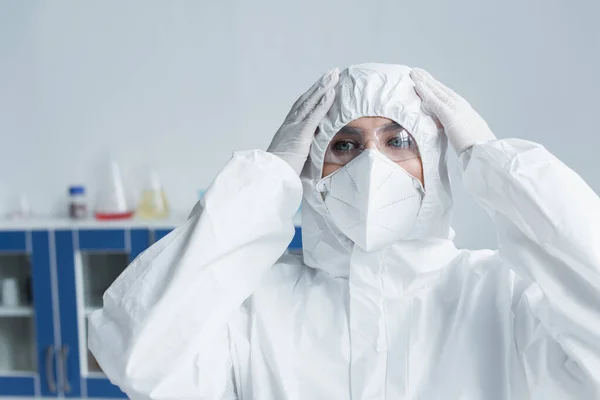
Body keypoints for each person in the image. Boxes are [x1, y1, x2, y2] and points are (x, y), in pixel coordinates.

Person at [88, 64, 600, 399]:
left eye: (398, 141)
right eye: (346, 145)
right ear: (312, 167)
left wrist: (497, 164)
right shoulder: (258, 305)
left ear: (435, 158)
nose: (373, 166)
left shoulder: (498, 295)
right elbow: (140, 355)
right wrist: (266, 179)